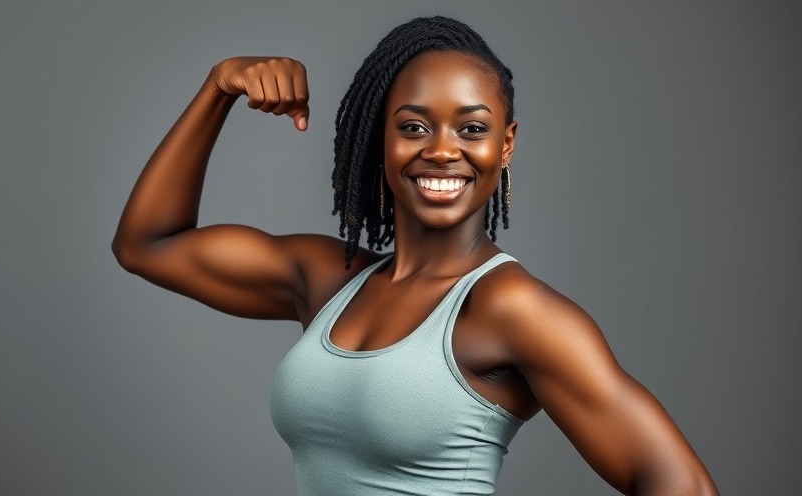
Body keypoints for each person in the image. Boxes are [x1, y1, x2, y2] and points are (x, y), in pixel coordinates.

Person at [112, 15, 720, 496]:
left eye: (473, 129)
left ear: (505, 146)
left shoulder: (510, 309)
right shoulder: (329, 281)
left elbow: (679, 485)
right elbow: (147, 245)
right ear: (380, 138)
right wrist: (218, 86)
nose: (442, 150)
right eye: (414, 126)